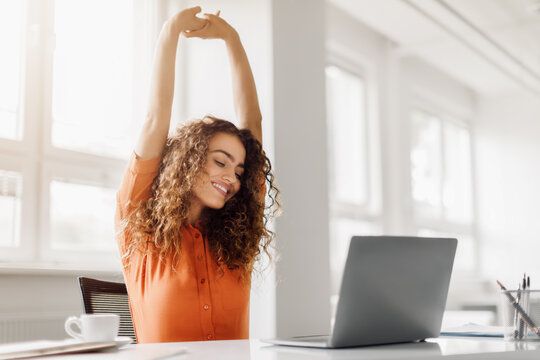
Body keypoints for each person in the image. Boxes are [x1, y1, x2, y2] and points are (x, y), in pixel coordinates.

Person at [115, 6, 279, 343]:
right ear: (186, 163)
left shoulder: (237, 235)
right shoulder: (141, 229)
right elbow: (154, 119)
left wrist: (231, 39)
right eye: (221, 162)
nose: (232, 178)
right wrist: (171, 31)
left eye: (238, 169)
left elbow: (254, 124)